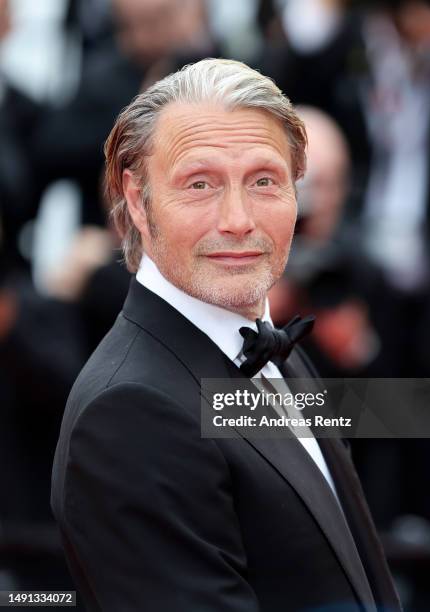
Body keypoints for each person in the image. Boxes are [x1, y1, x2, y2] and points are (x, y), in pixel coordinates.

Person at [51, 59, 402, 612]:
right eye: (200, 184)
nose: (238, 219)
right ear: (138, 202)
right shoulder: (130, 412)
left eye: (264, 181)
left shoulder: (276, 352)